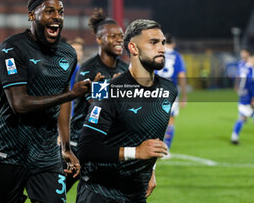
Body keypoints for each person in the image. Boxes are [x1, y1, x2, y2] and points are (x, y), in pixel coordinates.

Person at [0, 0, 91, 203]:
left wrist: (66, 148)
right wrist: (70, 94)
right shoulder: (12, 48)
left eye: (61, 12)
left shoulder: (68, 54)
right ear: (32, 15)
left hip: (46, 152)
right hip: (9, 149)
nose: (57, 17)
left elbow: (63, 104)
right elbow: (19, 104)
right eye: (49, 11)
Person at [76, 19, 178, 203]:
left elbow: (153, 134)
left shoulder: (169, 90)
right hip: (100, 193)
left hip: (136, 194)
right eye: (153, 42)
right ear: (133, 48)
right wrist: (136, 152)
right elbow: (86, 148)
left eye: (162, 42)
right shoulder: (109, 90)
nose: (162, 48)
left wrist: (151, 170)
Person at [65, 8, 128, 192]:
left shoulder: (126, 69)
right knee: (53, 194)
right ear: (99, 40)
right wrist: (112, 87)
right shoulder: (89, 69)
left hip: (106, 147)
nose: (119, 39)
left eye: (121, 35)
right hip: (80, 145)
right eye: (113, 35)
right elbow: (95, 106)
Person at [156, 33, 186, 156]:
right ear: (173, 43)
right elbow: (181, 76)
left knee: (153, 120)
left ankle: (153, 147)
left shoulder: (157, 54)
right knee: (170, 120)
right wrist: (184, 94)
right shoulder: (177, 57)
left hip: (156, 91)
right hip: (171, 92)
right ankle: (165, 149)